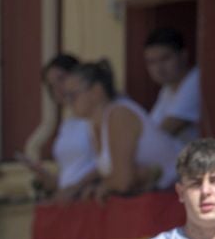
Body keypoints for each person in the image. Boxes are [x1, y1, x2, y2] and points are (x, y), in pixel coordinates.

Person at [65, 60, 173, 197]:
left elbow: (123, 181)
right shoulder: (94, 124)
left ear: (96, 91)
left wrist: (104, 185)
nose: (68, 102)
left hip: (176, 196)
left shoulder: (119, 114)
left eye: (72, 95)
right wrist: (80, 187)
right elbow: (114, 175)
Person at [18, 53, 98, 200]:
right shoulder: (67, 124)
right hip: (68, 202)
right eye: (52, 86)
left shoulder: (95, 116)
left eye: (61, 79)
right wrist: (46, 178)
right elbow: (70, 172)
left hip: (90, 198)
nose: (58, 88)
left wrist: (77, 187)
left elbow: (106, 162)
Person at [135, 27, 203, 173]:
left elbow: (165, 130)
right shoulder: (166, 90)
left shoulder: (195, 81)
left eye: (165, 59)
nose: (158, 68)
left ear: (183, 56)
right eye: (151, 62)